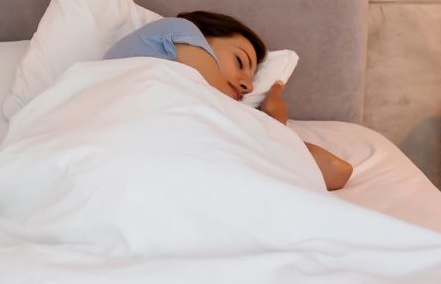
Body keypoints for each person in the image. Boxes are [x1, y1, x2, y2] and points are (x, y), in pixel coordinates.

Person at [104, 11, 352, 190]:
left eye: (252, 77)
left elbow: (336, 171)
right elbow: (333, 169)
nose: (249, 85)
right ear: (203, 36)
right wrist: (275, 109)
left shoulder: (202, 117)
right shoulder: (180, 29)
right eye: (240, 62)